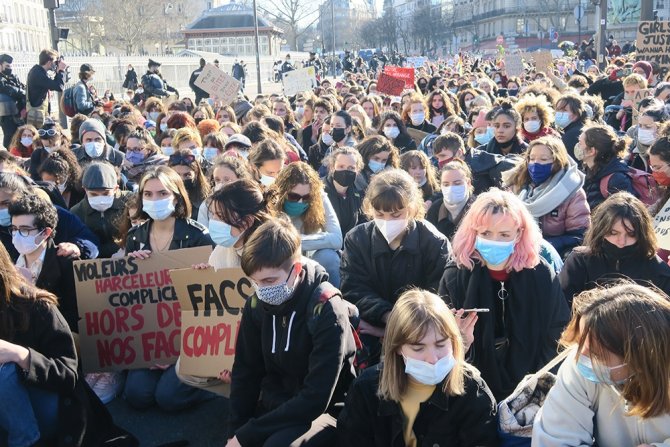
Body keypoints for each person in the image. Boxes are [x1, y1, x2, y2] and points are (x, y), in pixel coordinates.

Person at [226, 218, 356, 447]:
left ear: (296, 269)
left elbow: (316, 397)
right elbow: (246, 371)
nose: (262, 290)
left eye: (269, 280)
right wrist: (237, 431)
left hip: (325, 411)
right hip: (276, 402)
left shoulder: (326, 309)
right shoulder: (256, 305)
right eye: (255, 282)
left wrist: (248, 434)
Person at [438, 188, 570, 399]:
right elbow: (442, 335)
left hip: (533, 386)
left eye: (504, 234)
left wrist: (538, 382)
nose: (495, 241)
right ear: (473, 232)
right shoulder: (456, 276)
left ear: (519, 234)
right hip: (472, 389)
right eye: (486, 233)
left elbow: (558, 329)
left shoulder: (540, 273)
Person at [0, 243, 133, 447]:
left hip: (51, 408)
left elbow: (68, 375)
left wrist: (21, 356)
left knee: (5, 374)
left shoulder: (35, 306)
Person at [338, 289, 498, 447]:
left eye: (441, 344)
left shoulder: (474, 393)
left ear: (454, 342)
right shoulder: (365, 390)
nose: (432, 358)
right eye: (418, 348)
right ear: (398, 348)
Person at [532, 282, 670, 447]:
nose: (580, 356)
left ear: (638, 359)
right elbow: (554, 439)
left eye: (596, 354)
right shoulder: (578, 369)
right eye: (580, 342)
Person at [123, 166, 214, 411]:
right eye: (148, 194)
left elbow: (209, 304)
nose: (155, 199)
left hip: (189, 336)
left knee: (168, 398)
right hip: (151, 334)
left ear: (176, 196)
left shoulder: (198, 236)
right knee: (136, 394)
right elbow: (130, 299)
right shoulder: (134, 236)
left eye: (162, 193)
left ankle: (210, 389)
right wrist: (130, 267)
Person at [341, 169, 451, 364]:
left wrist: (396, 327)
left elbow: (440, 294)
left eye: (396, 214)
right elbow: (353, 288)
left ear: (411, 208)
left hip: (423, 332)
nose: (387, 221)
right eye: (379, 214)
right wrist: (386, 316)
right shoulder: (356, 239)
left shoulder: (434, 242)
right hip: (371, 326)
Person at [176, 179, 273, 394]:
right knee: (186, 368)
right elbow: (214, 312)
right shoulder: (222, 250)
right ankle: (242, 392)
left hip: (265, 340)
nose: (214, 222)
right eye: (214, 216)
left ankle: (259, 395)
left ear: (246, 222)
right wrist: (206, 280)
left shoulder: (271, 252)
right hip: (235, 338)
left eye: (220, 217)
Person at [560, 192, 670, 303]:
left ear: (642, 234)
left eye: (631, 234)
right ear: (601, 229)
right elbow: (563, 309)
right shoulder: (580, 262)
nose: (621, 241)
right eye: (613, 233)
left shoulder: (657, 269)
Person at [505, 136, 591, 256]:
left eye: (543, 159)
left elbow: (580, 235)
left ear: (557, 162)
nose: (536, 164)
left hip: (552, 255)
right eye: (532, 158)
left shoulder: (571, 192)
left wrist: (547, 245)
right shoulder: (516, 187)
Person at [271, 162, 343, 287]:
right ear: (282, 193)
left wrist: (292, 242)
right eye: (294, 196)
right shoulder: (270, 200)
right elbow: (272, 245)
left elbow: (337, 239)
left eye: (306, 197)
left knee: (329, 257)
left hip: (310, 260)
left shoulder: (318, 197)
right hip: (279, 262)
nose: (300, 201)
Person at [71, 161, 129, 259]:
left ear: (115, 189)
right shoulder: (76, 212)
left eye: (106, 193)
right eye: (94, 194)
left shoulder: (130, 202)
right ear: (85, 190)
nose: (100, 198)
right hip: (95, 264)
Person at [577, 124, 637, 210]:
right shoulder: (587, 169)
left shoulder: (616, 179)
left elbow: (625, 213)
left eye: (580, 143)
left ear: (592, 151)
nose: (577, 146)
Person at [427, 160, 475, 240]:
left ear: (468, 183)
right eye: (446, 184)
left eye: (457, 183)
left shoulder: (478, 207)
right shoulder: (435, 209)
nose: (451, 188)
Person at [323, 147, 365, 239]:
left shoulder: (358, 193)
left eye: (351, 168)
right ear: (332, 167)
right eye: (341, 166)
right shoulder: (319, 191)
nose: (346, 171)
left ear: (357, 171)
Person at [25, 49, 66, 128]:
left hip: (39, 113)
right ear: (49, 63)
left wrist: (59, 72)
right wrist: (61, 71)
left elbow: (55, 85)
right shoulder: (38, 74)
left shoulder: (38, 71)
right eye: (55, 62)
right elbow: (59, 86)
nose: (56, 64)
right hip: (36, 115)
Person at [168, 150, 211, 220]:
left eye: (187, 175)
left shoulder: (207, 201)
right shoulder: (163, 199)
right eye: (176, 175)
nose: (181, 179)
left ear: (196, 174)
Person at [0, 54, 26, 148]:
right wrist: (20, 92)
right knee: (9, 137)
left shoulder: (13, 77)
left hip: (18, 112)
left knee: (21, 137)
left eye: (10, 66)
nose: (9, 68)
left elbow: (22, 88)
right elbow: (8, 89)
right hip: (6, 115)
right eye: (7, 66)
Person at [555, 93, 589, 159]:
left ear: (576, 114)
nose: (559, 113)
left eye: (564, 110)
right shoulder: (577, 128)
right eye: (558, 109)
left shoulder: (573, 134)